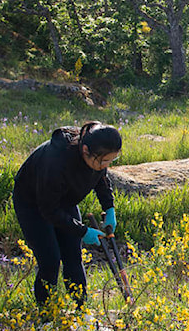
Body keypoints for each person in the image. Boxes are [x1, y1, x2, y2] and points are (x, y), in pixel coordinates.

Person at [12, 121, 121, 309]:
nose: (106, 165)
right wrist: (83, 231)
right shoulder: (56, 161)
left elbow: (101, 179)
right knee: (51, 260)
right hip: (34, 205)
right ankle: (46, 314)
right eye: (104, 161)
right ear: (85, 150)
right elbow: (48, 209)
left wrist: (109, 207)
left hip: (63, 201)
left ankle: (81, 309)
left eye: (111, 161)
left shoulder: (96, 154)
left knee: (73, 256)